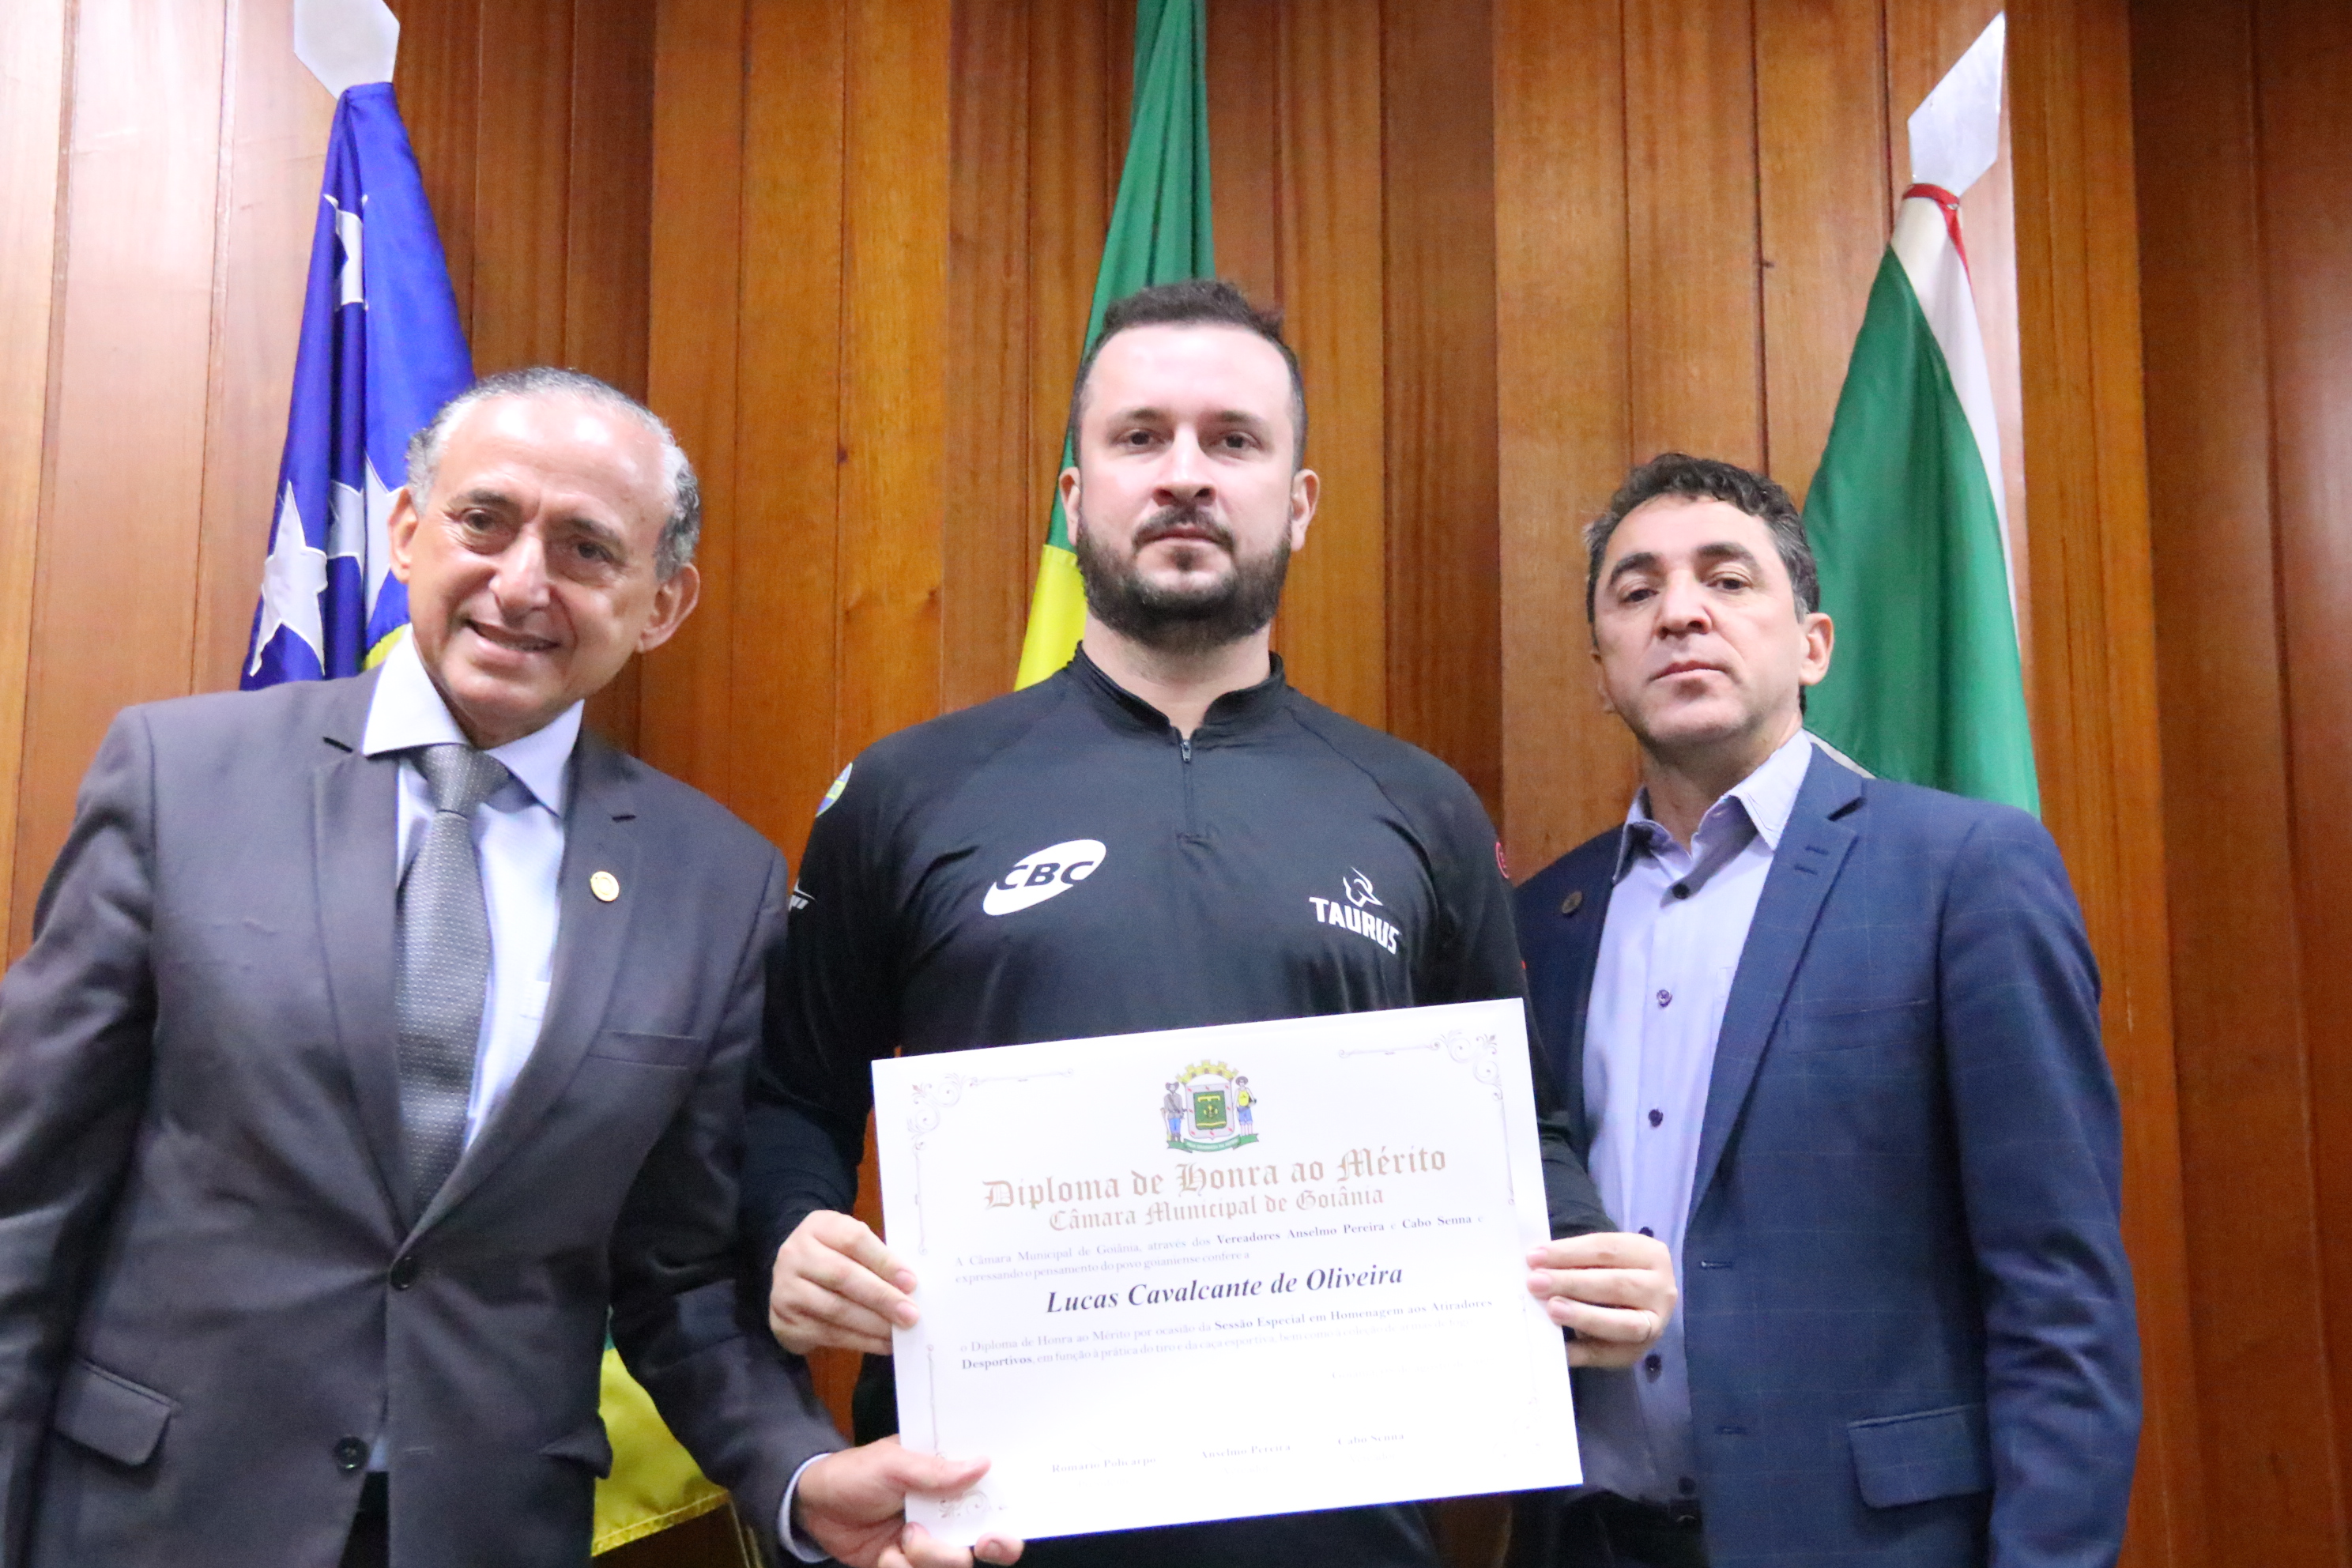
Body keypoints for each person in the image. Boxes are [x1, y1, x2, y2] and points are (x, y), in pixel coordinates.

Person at [743, 280, 1678, 1568]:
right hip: (981, 1530)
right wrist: (792, 1230)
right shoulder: (905, 792)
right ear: (1076, 496)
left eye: (1233, 440)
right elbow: (789, 1101)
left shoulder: (1420, 807)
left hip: (1345, 1528)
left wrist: (1580, 1252)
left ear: (1298, 501)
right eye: (1141, 438)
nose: (1185, 474)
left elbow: (1522, 1122)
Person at [0, 368, 994, 1568]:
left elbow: (679, 1272)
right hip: (157, 1516)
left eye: (587, 548)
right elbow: (26, 1202)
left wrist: (797, 1473)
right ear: (407, 531)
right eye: (485, 521)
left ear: (661, 603)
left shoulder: (714, 885)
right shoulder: (183, 779)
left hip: (487, 1530)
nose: (523, 583)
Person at [1509, 454, 2139, 1568]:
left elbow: (2061, 1293)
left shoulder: (1963, 872)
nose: (1680, 613)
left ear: (1814, 645)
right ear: (1602, 670)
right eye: (1637, 591)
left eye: (1727, 579)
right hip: (1592, 1542)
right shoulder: (1543, 922)